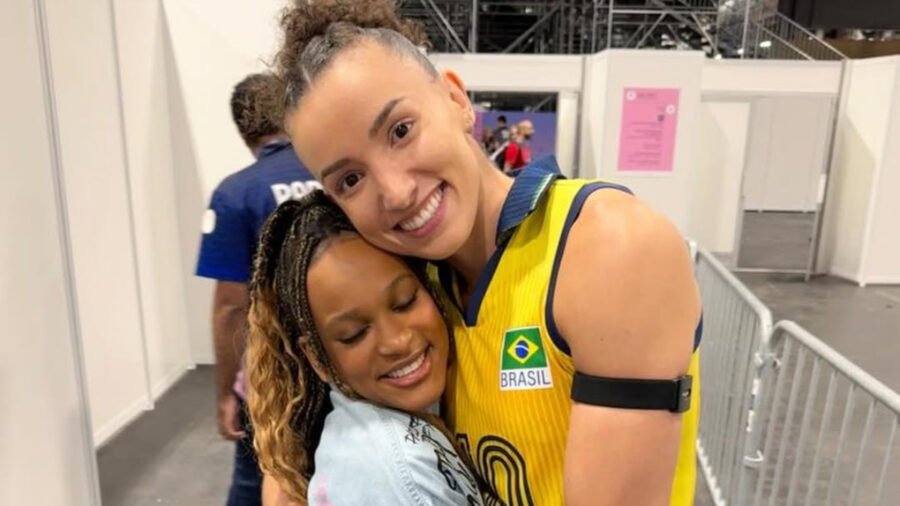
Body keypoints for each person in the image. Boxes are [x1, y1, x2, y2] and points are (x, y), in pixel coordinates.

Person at [268, 1, 702, 504]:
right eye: (350, 179)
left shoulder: (607, 246)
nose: (396, 192)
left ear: (456, 99)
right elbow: (293, 394)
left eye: (401, 131)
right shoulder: (418, 285)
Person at [246, 192, 484, 506]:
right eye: (354, 334)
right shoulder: (395, 470)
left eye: (405, 302)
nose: (396, 342)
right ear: (317, 359)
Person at [195, 72, 320, 506]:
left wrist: (226, 394)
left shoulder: (235, 195)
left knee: (257, 483)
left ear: (243, 131)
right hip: (349, 371)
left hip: (274, 380)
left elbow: (230, 309)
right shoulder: (339, 173)